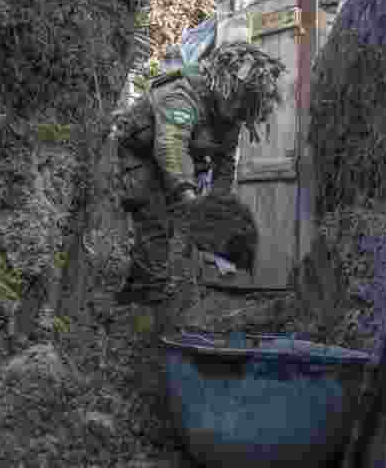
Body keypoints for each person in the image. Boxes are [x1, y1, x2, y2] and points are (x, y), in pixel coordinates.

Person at [110, 40, 286, 305]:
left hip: (179, 162)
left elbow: (225, 162)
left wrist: (218, 206)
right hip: (143, 155)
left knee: (175, 229)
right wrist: (190, 198)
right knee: (153, 217)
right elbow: (170, 146)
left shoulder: (230, 113)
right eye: (240, 101)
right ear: (226, 84)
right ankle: (147, 295)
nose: (240, 111)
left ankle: (142, 287)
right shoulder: (182, 93)